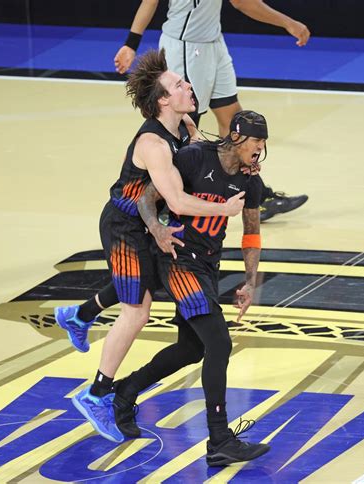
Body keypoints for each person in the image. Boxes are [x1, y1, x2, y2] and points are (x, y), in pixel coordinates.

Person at [54, 49, 246, 443]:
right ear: (162, 101)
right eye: (178, 85)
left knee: (151, 282)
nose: (188, 86)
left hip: (149, 222)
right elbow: (176, 200)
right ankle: (96, 394)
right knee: (137, 310)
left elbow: (204, 160)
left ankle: (80, 315)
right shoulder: (153, 144)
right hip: (125, 226)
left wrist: (242, 162)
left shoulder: (185, 125)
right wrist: (225, 208)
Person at [111, 110, 270, 466]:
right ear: (237, 137)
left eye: (264, 142)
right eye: (257, 141)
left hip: (207, 266)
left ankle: (125, 391)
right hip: (178, 261)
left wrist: (250, 280)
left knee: (191, 348)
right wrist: (157, 231)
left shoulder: (251, 182)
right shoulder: (194, 158)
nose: (260, 148)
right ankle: (219, 439)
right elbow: (147, 199)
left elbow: (252, 233)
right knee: (219, 343)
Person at [114, 0, 310, 222]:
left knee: (234, 123)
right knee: (179, 132)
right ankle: (150, 201)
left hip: (213, 42)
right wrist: (288, 23)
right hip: (187, 48)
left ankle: (255, 196)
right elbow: (243, 3)